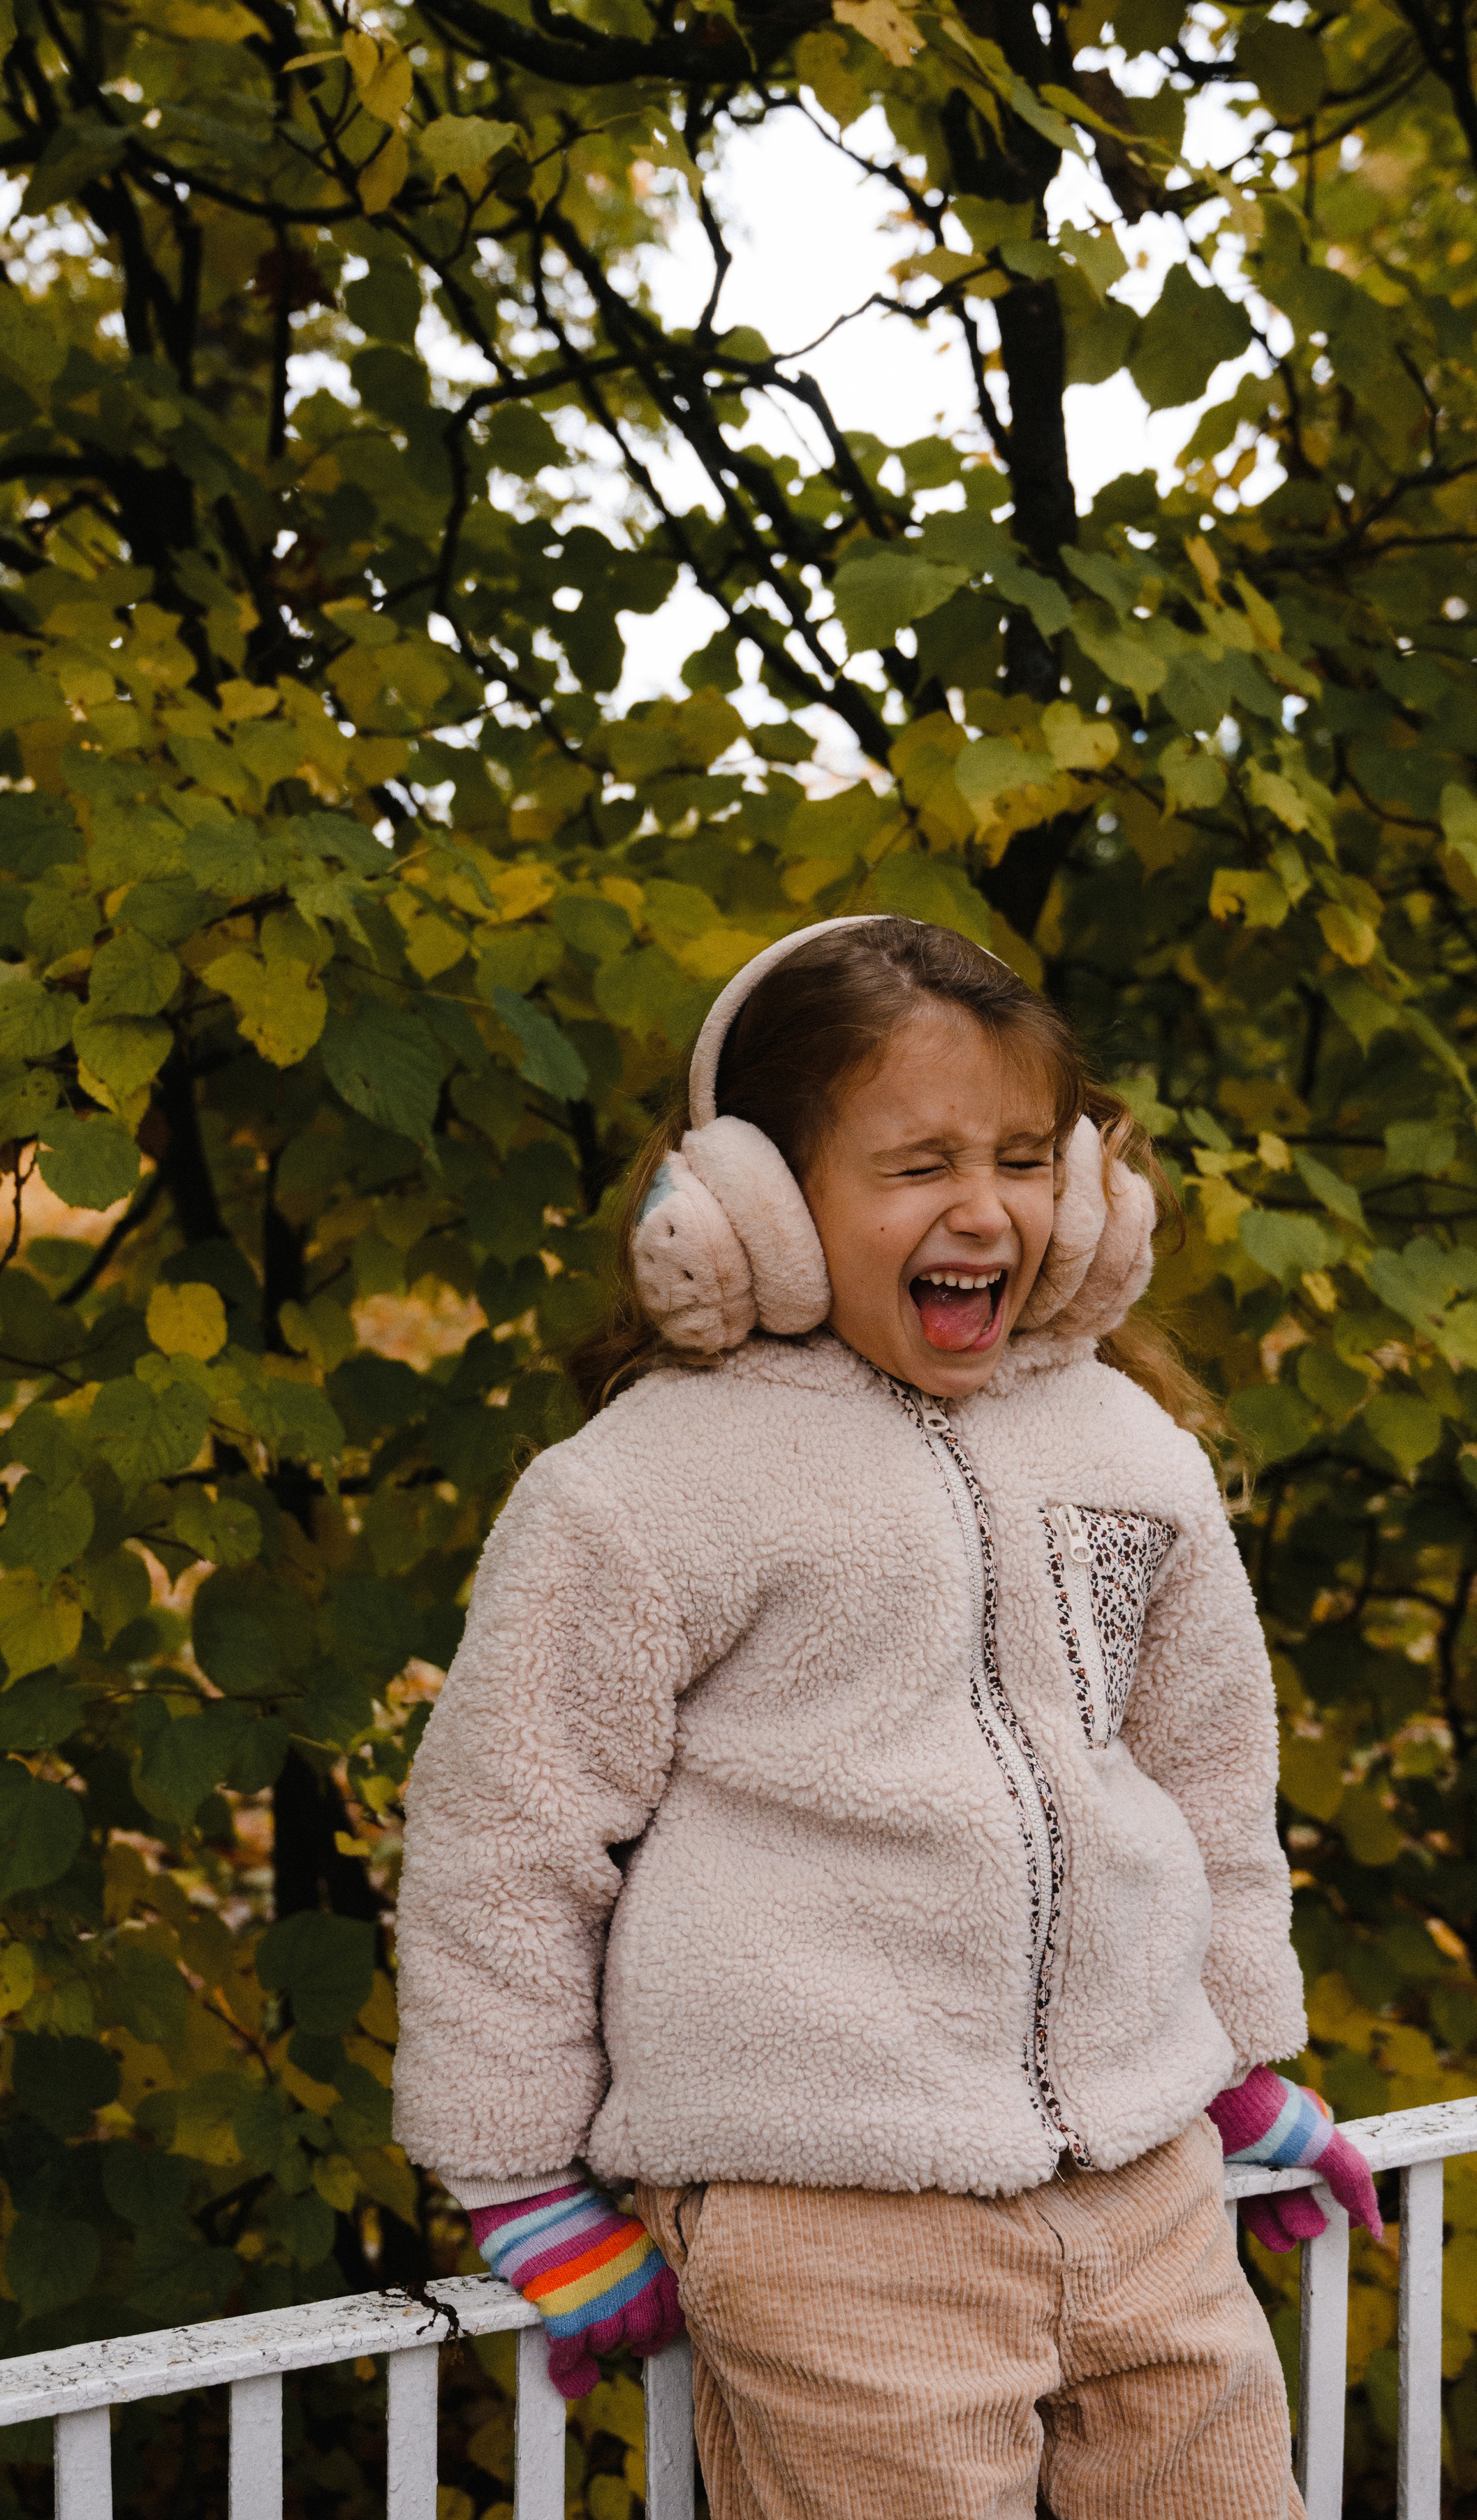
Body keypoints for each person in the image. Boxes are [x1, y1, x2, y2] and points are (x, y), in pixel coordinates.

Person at [393, 915, 1379, 2520]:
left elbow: (1204, 1774)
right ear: (758, 1208)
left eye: (1022, 1158)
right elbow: (507, 1830)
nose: (983, 1209)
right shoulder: (643, 1487)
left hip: (1145, 2189)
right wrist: (515, 2177)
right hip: (828, 2216)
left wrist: (1232, 2061)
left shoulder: (1128, 1447)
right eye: (916, 1165)